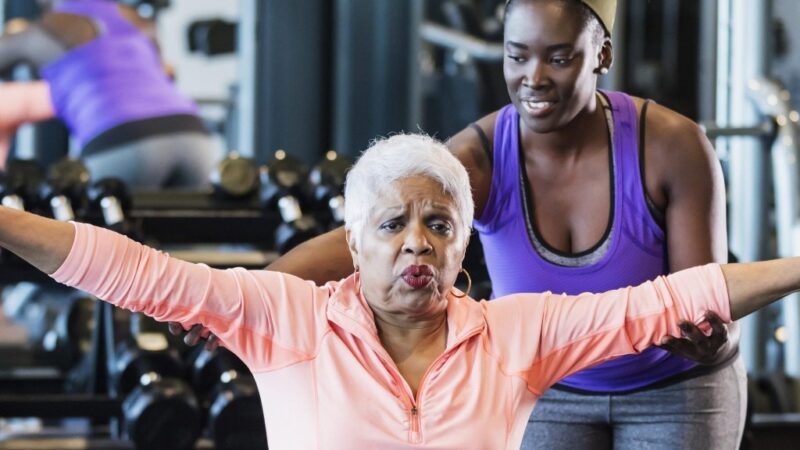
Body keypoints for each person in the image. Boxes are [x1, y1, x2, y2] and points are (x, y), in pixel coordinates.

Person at [174, 0, 740, 448]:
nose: (533, 78)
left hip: (673, 389)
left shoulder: (670, 146)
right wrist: (239, 300)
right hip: (545, 387)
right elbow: (371, 244)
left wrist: (712, 340)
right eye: (517, 56)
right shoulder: (482, 156)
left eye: (559, 57)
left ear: (602, 55)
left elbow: (704, 300)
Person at [0, 133, 793, 449]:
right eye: (392, 226)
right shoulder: (289, 319)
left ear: (460, 249)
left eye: (439, 226)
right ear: (352, 246)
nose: (416, 242)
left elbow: (670, 299)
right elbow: (132, 270)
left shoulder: (518, 335)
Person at [0, 0, 217, 188]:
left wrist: (14, 34)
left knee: (83, 233)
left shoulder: (41, 31)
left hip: (122, 140)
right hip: (192, 135)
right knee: (185, 232)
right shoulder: (136, 20)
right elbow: (165, 73)